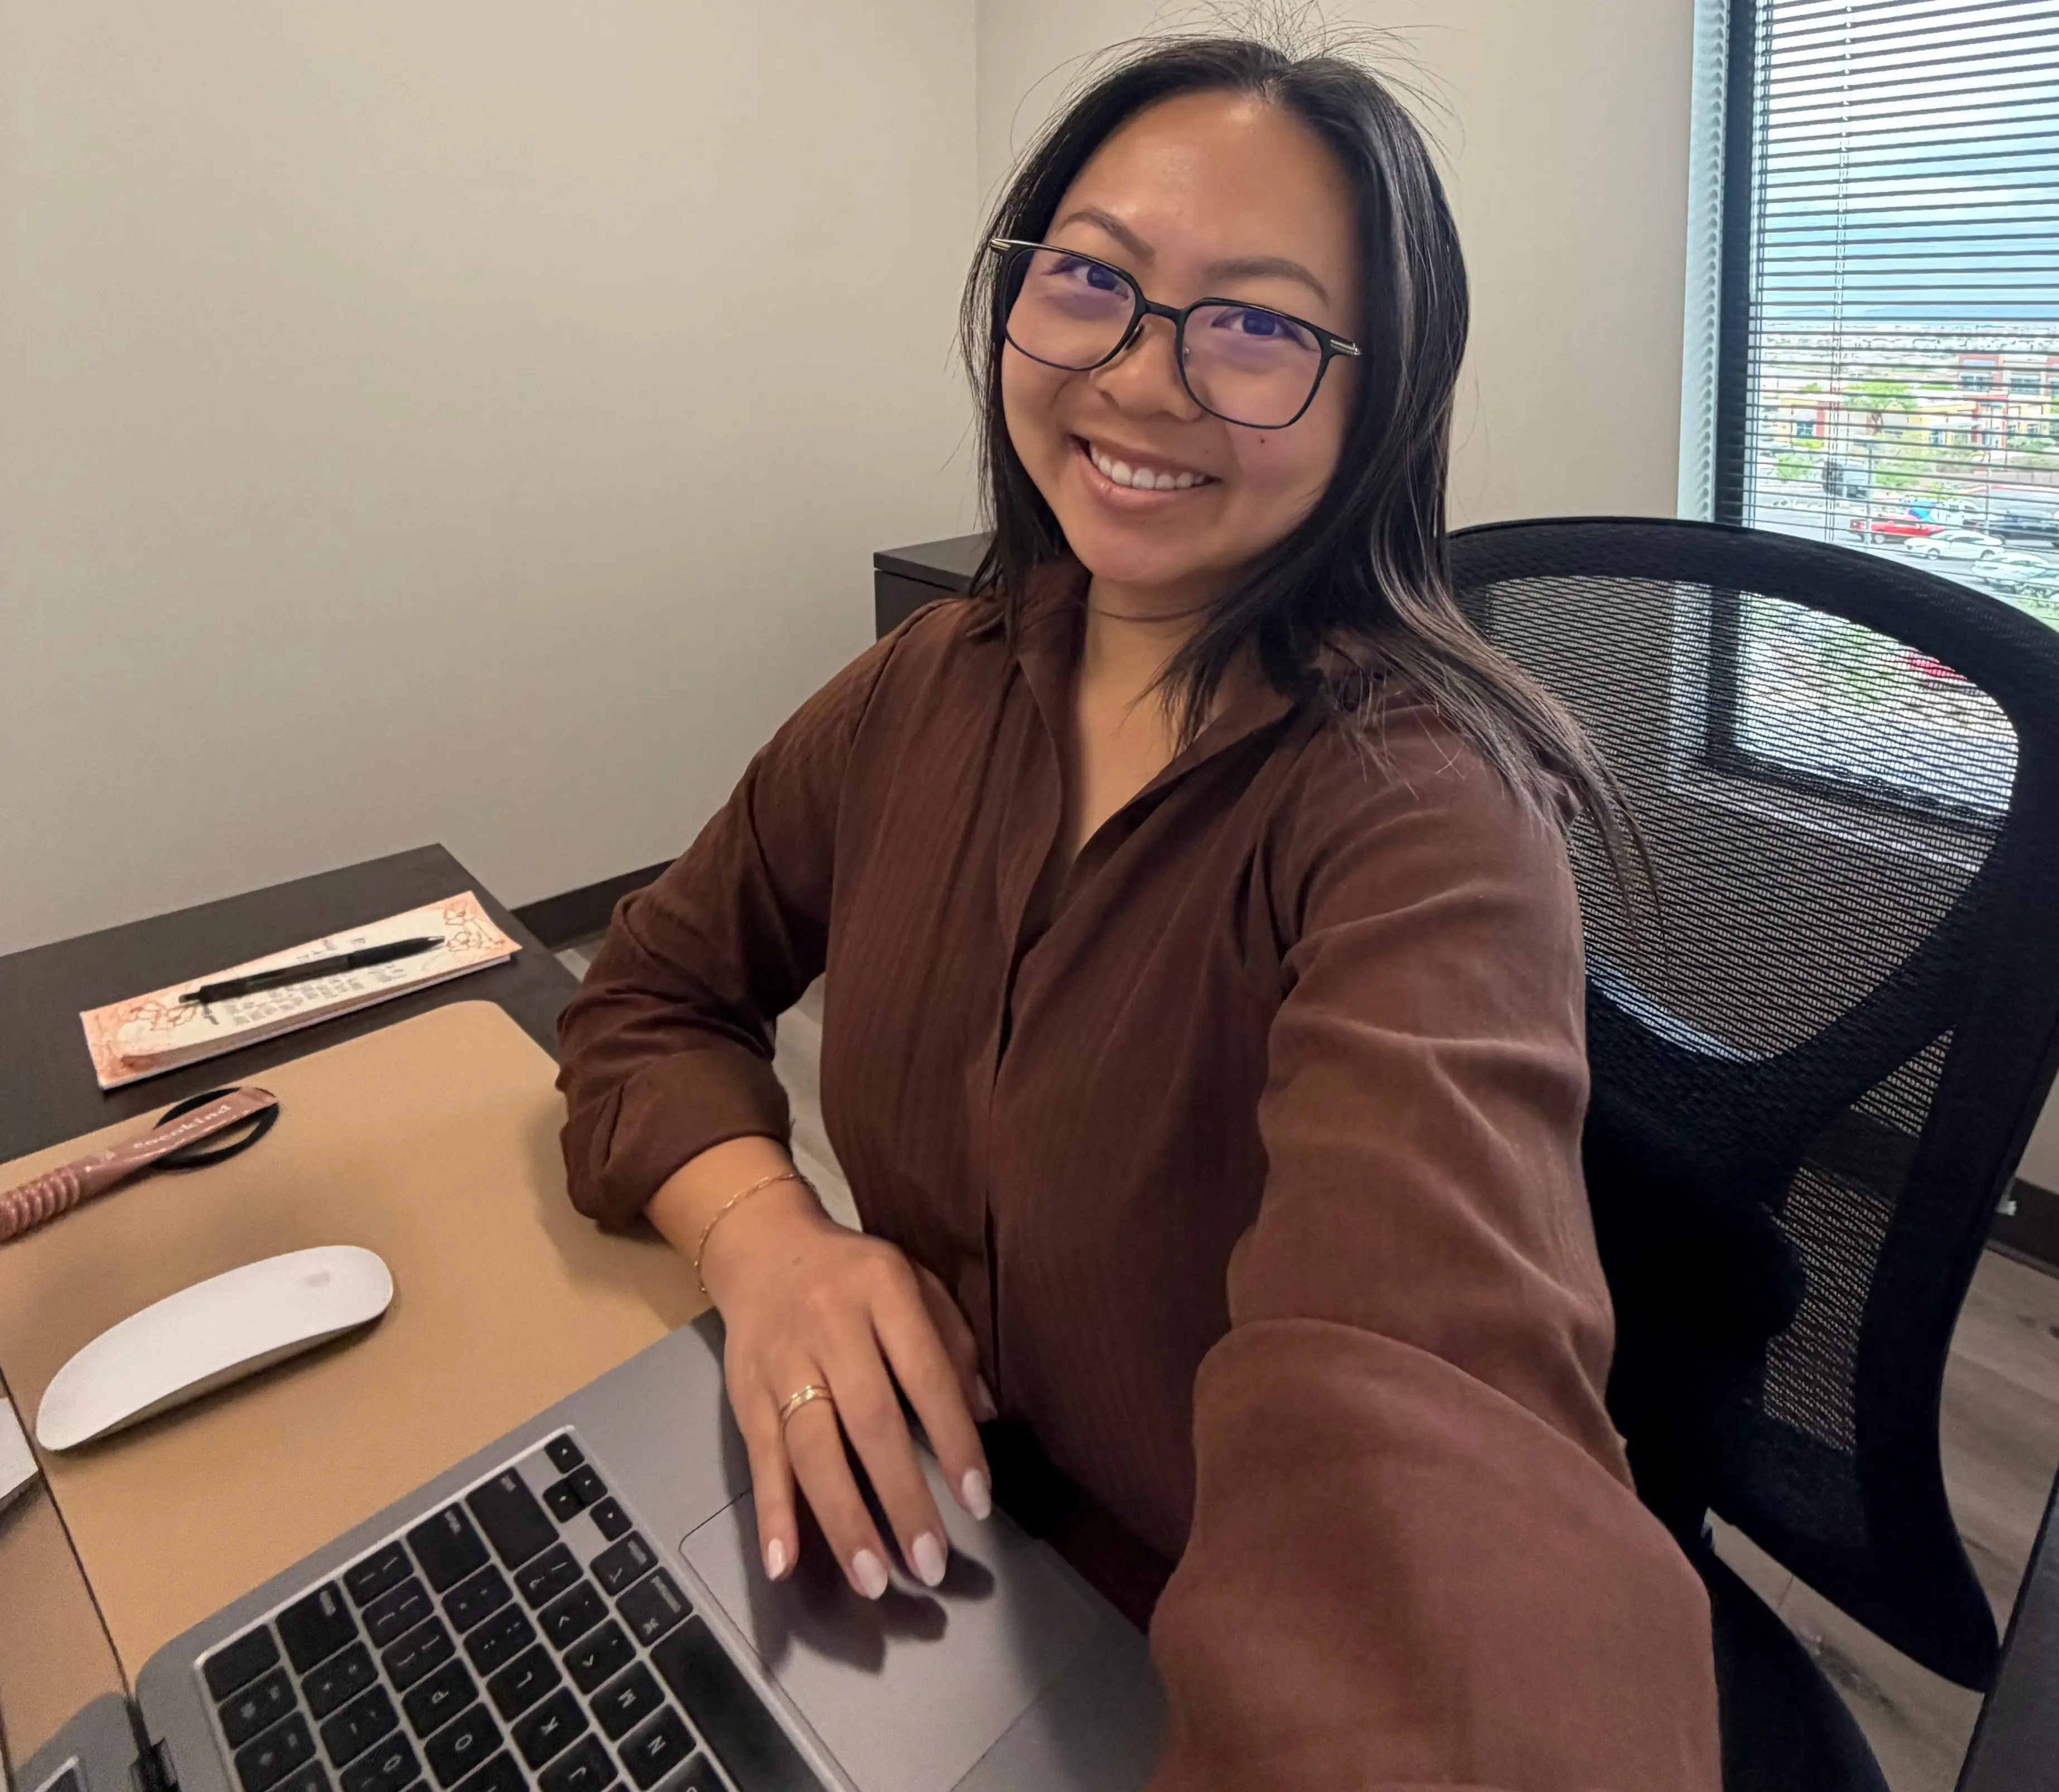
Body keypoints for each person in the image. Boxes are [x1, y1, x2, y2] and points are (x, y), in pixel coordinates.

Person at [554, 33, 1720, 1790]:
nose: (1138, 374)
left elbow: (1421, 1474)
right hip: (920, 1554)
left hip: (1161, 1646)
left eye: (1253, 322)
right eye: (1089, 280)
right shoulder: (928, 684)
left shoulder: (1422, 818)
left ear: (1376, 393)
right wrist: (771, 1244)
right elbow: (647, 992)